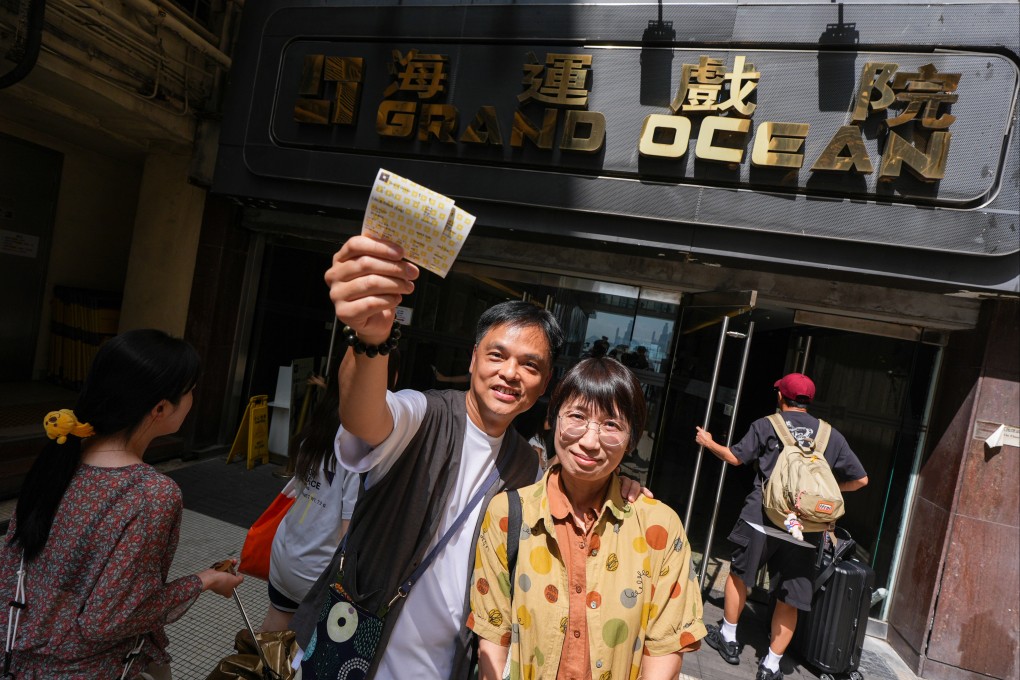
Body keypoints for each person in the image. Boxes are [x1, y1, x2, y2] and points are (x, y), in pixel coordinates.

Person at [292, 234, 648, 680]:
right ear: (474, 356)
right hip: (351, 645)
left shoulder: (528, 465)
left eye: (530, 365)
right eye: (497, 355)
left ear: (545, 382)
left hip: (446, 666)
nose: (510, 373)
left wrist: (622, 484)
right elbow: (366, 417)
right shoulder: (424, 415)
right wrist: (370, 341)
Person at [0, 329, 242, 679]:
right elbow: (109, 620)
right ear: (160, 408)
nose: (193, 398)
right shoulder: (152, 494)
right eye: (189, 390)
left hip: (18, 660)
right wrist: (205, 580)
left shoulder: (60, 456)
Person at [470, 358, 706, 680]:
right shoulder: (509, 516)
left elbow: (664, 647)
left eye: (612, 425)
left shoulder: (659, 528)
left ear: (631, 440)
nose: (590, 442)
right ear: (553, 420)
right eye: (577, 417)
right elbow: (493, 633)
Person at [694, 372, 868, 680]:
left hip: (762, 516)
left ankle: (729, 639)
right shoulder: (831, 435)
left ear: (780, 397)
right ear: (808, 401)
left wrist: (708, 442)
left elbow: (735, 458)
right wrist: (817, 497)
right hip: (806, 527)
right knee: (792, 594)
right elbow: (861, 479)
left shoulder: (767, 425)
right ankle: (771, 665)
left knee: (739, 575)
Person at [261, 348, 399, 632]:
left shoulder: (314, 431)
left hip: (285, 556)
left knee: (268, 641)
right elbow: (345, 533)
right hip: (316, 574)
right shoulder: (360, 448)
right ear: (392, 380)